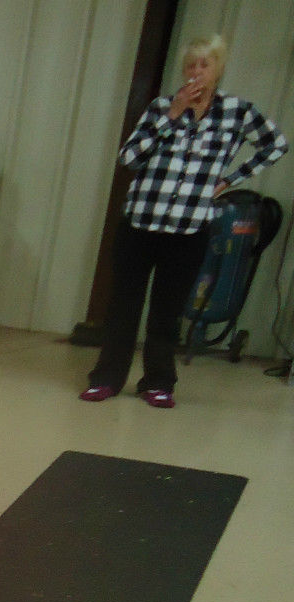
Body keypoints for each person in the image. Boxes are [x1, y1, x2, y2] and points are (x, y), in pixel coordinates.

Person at [81, 34, 286, 409]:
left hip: (188, 228)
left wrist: (231, 179)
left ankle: (158, 383)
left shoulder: (237, 112)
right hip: (141, 222)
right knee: (123, 306)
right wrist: (171, 117)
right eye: (191, 65)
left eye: (204, 65)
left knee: (168, 312)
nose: (196, 72)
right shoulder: (161, 107)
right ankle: (106, 378)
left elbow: (276, 144)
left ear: (217, 69)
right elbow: (130, 158)